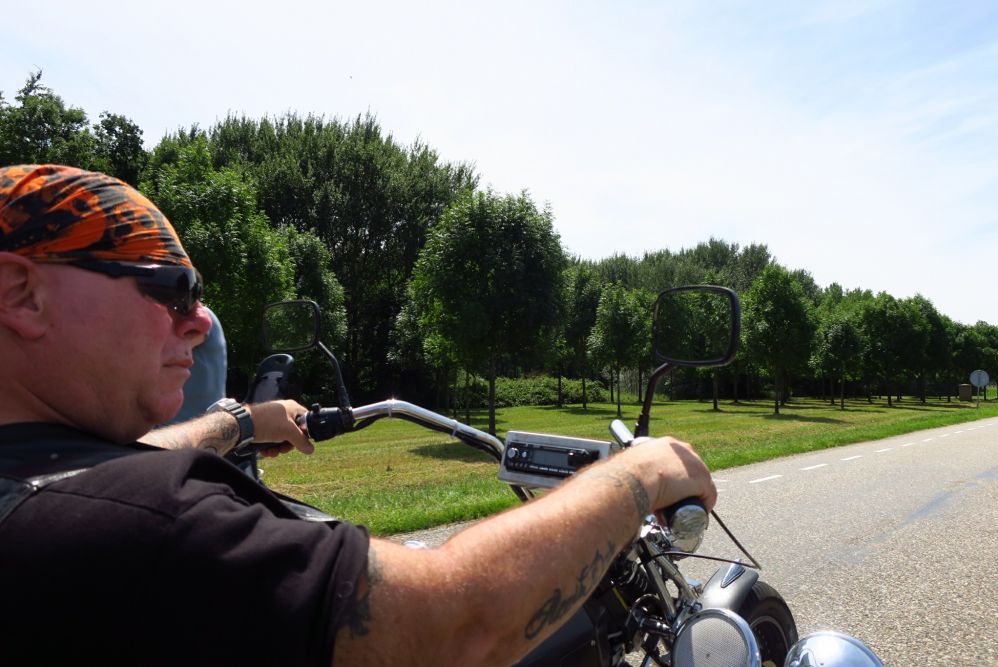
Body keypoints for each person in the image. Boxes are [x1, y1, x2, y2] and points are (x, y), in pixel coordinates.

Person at [0, 165, 716, 666]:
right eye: (171, 287)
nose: (199, 321)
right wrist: (639, 474)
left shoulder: (45, 483)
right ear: (22, 295)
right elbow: (457, 629)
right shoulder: (148, 522)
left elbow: (128, 457)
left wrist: (246, 422)